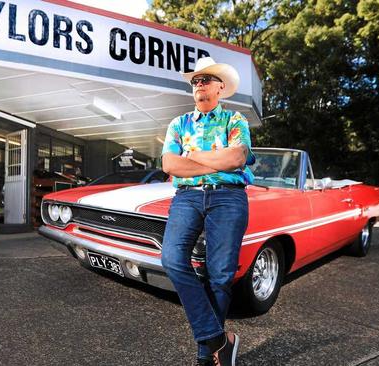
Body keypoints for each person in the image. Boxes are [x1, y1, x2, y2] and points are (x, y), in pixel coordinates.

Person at [160, 57, 255, 366]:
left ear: (220, 87)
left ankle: (206, 356)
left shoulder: (235, 120)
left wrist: (193, 156)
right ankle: (217, 338)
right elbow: (170, 165)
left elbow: (236, 158)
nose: (199, 85)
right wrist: (215, 157)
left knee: (221, 275)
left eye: (205, 80)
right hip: (187, 197)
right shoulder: (179, 123)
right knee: (172, 259)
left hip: (229, 197)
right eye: (195, 81)